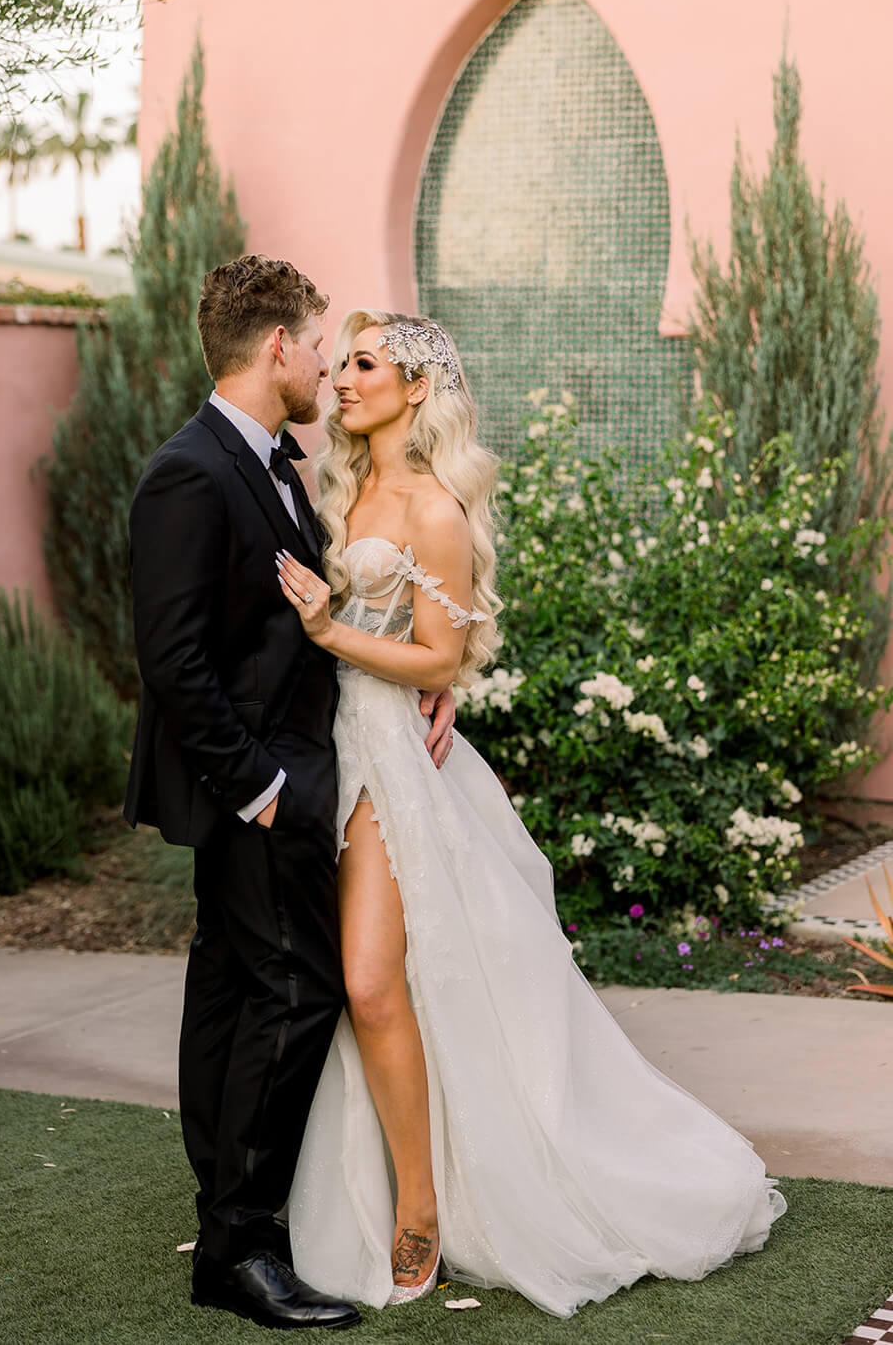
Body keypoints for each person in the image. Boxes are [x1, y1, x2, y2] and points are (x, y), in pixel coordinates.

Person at [275, 307, 788, 1318]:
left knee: (374, 982)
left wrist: (332, 630)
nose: (341, 379)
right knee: (382, 989)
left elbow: (440, 658)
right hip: (323, 752)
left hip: (393, 763)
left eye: (365, 364)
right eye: (338, 363)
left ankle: (418, 1207)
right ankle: (396, 1178)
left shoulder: (432, 509)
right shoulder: (332, 485)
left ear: (415, 389)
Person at [124, 258, 455, 1331]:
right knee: (292, 992)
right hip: (260, 784)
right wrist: (260, 784)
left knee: (230, 988)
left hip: (323, 763)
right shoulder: (193, 470)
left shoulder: (280, 461)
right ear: (276, 349)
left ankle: (227, 1213)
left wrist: (429, 687)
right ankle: (242, 1244)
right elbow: (174, 662)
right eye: (318, 345)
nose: (324, 363)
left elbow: (357, 623)